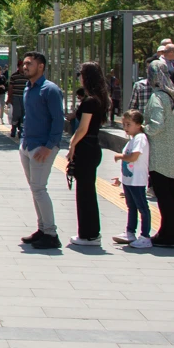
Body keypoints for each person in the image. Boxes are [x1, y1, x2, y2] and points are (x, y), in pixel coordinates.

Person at [18, 52, 65, 250]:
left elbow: (58, 120)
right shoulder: (28, 88)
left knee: (39, 188)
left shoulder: (50, 90)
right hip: (27, 145)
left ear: (41, 67)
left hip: (42, 147)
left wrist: (49, 146)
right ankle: (42, 229)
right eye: (24, 63)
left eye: (30, 63)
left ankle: (51, 234)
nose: (25, 66)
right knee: (35, 189)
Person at [65, 62, 110, 246]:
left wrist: (71, 145)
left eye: (81, 74)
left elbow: (83, 128)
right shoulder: (99, 98)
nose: (79, 78)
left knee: (85, 193)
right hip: (93, 146)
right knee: (87, 191)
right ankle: (89, 232)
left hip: (86, 147)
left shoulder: (90, 101)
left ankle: (89, 234)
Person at [144, 60, 174, 247]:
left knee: (163, 195)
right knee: (171, 193)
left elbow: (156, 125)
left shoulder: (157, 97)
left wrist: (141, 128)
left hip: (160, 153)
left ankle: (168, 234)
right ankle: (169, 230)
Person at [110, 110, 152, 248]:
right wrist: (121, 178)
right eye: (124, 124)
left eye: (129, 124)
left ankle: (145, 236)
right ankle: (130, 231)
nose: (125, 127)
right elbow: (129, 164)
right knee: (131, 207)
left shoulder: (140, 138)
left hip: (137, 181)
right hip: (129, 180)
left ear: (139, 124)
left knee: (142, 207)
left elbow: (133, 157)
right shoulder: (132, 140)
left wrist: (120, 156)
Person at [8, 60, 29, 138]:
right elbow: (10, 87)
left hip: (25, 97)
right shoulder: (14, 76)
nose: (23, 68)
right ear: (18, 67)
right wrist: (9, 98)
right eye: (21, 66)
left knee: (24, 114)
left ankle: (21, 129)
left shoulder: (28, 76)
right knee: (16, 114)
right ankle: (13, 128)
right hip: (16, 97)